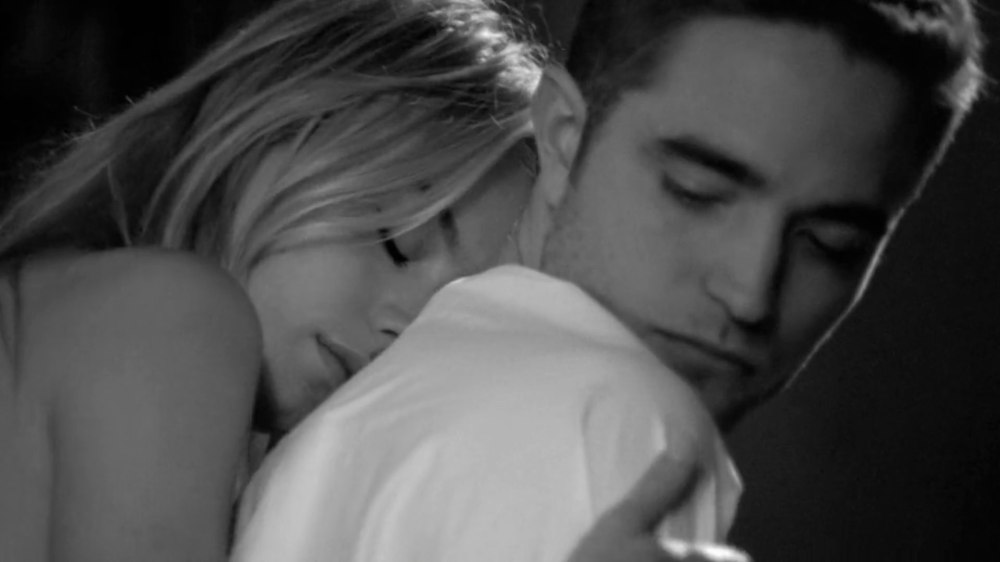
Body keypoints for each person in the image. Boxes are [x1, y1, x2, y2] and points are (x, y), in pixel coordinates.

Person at [231, 0, 985, 560]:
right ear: (564, 135)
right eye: (695, 192)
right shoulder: (620, 418)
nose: (750, 293)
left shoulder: (344, 429)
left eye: (832, 245)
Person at [0, 0, 548, 559]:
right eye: (402, 243)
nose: (402, 330)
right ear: (285, 120)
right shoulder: (173, 315)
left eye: (446, 322)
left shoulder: (59, 301)